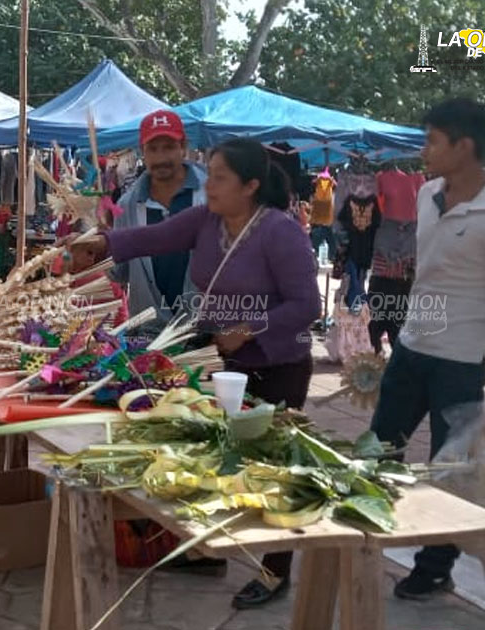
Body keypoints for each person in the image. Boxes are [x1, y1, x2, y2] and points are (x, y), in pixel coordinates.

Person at [72, 138, 320, 609]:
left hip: (277, 364)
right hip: (221, 362)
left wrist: (248, 328)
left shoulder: (280, 232)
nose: (212, 185)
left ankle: (275, 570)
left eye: (221, 177)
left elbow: (307, 306)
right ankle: (205, 550)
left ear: (250, 185)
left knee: (274, 469)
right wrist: (102, 242)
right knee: (210, 458)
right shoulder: (207, 220)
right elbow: (153, 237)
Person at [370, 98, 485, 601]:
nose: (424, 151)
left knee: (450, 468)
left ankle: (435, 565)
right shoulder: (427, 194)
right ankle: (363, 534)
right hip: (412, 345)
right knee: (378, 450)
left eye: (432, 141)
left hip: (460, 362)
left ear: (464, 147)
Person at [111, 110, 208, 324]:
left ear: (183, 147)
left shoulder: (214, 195)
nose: (161, 158)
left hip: (207, 333)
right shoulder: (127, 206)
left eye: (169, 147)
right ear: (142, 152)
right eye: (153, 149)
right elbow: (118, 272)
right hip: (149, 334)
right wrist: (87, 254)